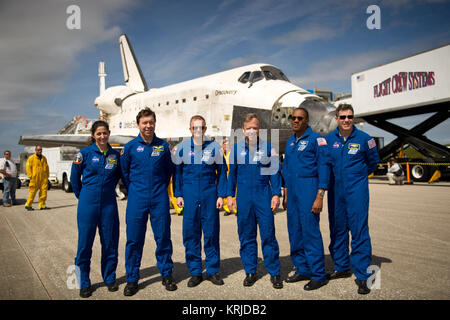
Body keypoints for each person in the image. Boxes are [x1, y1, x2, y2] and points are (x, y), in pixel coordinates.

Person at [120, 107, 176, 296]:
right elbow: (125, 172)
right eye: (144, 122)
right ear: (138, 125)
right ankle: (132, 278)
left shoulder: (163, 146)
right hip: (137, 198)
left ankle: (167, 274)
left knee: (163, 237)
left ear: (154, 123)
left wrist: (160, 186)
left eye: (151, 122)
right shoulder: (130, 147)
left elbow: (169, 170)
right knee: (134, 239)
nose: (148, 126)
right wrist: (136, 188)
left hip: (159, 197)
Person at [324, 104, 380, 295]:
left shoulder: (366, 139)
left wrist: (359, 177)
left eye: (350, 116)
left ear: (353, 118)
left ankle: (365, 277)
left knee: (359, 231)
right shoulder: (328, 140)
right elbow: (325, 165)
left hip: (357, 192)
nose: (346, 120)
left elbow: (373, 162)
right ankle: (341, 266)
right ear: (337, 119)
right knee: (338, 230)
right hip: (335, 192)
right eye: (343, 117)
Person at [226, 113, 283, 289]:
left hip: (263, 195)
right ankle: (251, 271)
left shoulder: (268, 148)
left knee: (268, 234)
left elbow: (274, 172)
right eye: (248, 128)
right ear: (243, 129)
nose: (252, 131)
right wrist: (230, 195)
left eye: (255, 128)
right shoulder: (235, 150)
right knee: (246, 235)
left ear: (259, 129)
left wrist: (276, 194)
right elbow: (232, 175)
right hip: (243, 197)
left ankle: (274, 272)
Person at [173, 115, 228, 287]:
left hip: (209, 193)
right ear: (190, 129)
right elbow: (177, 174)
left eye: (202, 127)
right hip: (189, 195)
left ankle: (212, 271)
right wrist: (179, 195)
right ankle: (195, 272)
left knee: (211, 233)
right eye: (195, 128)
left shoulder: (214, 148)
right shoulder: (181, 149)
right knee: (191, 234)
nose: (198, 131)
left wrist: (221, 195)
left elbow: (222, 172)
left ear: (205, 129)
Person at [70, 120, 122, 298]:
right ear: (93, 135)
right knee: (84, 244)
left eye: (105, 133)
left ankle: (109, 278)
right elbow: (75, 179)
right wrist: (83, 196)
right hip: (88, 203)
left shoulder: (115, 155)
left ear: (109, 133)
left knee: (110, 242)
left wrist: (107, 191)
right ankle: (83, 282)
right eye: (98, 133)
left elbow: (118, 177)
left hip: (108, 204)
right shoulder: (83, 154)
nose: (102, 136)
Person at [282, 108, 329, 291]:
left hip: (309, 189)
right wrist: (285, 194)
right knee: (294, 231)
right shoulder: (290, 142)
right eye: (293, 118)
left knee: (310, 232)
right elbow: (286, 170)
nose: (295, 121)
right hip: (292, 192)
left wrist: (320, 196)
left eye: (299, 118)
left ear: (307, 121)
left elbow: (324, 169)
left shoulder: (317, 140)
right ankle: (302, 268)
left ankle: (318, 274)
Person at [25, 145, 49, 211]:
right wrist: (30, 176)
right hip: (35, 178)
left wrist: (47, 176)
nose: (39, 151)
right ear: (35, 150)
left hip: (43, 178)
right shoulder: (31, 158)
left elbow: (47, 167)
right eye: (38, 150)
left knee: (44, 192)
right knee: (32, 192)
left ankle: (42, 205)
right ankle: (28, 205)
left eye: (40, 149)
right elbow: (28, 167)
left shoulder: (44, 158)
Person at [222, 138, 237, 216]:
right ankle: (227, 208)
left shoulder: (232, 153)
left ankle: (235, 208)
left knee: (234, 192)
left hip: (231, 174)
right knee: (225, 192)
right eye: (224, 144)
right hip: (224, 175)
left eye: (226, 144)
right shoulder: (221, 153)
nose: (225, 146)